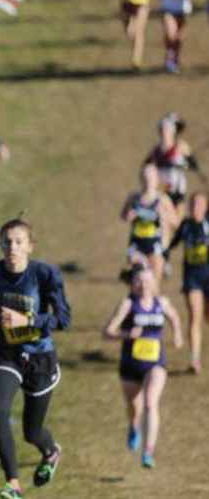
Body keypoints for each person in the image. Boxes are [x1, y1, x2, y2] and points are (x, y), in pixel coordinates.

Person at [0, 218, 71, 499]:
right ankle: (13, 485)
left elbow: (63, 319)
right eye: (7, 241)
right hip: (6, 353)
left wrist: (28, 319)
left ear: (30, 246)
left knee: (31, 432)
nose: (12, 247)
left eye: (18, 242)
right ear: (0, 244)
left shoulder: (44, 274)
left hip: (40, 359)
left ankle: (50, 452)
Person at [103, 265, 183, 468]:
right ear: (133, 284)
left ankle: (148, 451)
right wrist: (126, 334)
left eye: (148, 280)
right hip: (130, 365)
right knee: (134, 407)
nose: (144, 285)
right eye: (139, 281)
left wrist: (177, 335)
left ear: (155, 283)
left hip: (155, 364)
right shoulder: (127, 304)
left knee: (150, 403)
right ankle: (133, 426)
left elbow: (174, 317)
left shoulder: (161, 302)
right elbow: (107, 331)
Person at [166, 192, 209, 373]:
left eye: (199, 204)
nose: (195, 208)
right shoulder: (185, 226)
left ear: (206, 207)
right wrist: (163, 253)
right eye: (193, 204)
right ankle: (195, 360)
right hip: (192, 279)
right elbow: (172, 245)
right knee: (195, 315)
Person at [122, 163, 179, 290]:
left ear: (157, 178)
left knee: (152, 287)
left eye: (151, 176)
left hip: (155, 246)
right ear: (141, 178)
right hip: (136, 245)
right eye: (145, 176)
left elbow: (176, 222)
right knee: (136, 287)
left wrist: (164, 215)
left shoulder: (162, 199)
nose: (148, 180)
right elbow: (123, 215)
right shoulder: (134, 198)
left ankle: (154, 307)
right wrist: (128, 215)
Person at [143, 112, 198, 218]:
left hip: (177, 188)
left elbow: (194, 165)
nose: (165, 132)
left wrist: (179, 165)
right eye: (163, 129)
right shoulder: (156, 150)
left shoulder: (181, 146)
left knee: (178, 220)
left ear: (173, 131)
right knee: (163, 217)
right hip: (162, 187)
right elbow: (146, 167)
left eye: (167, 129)